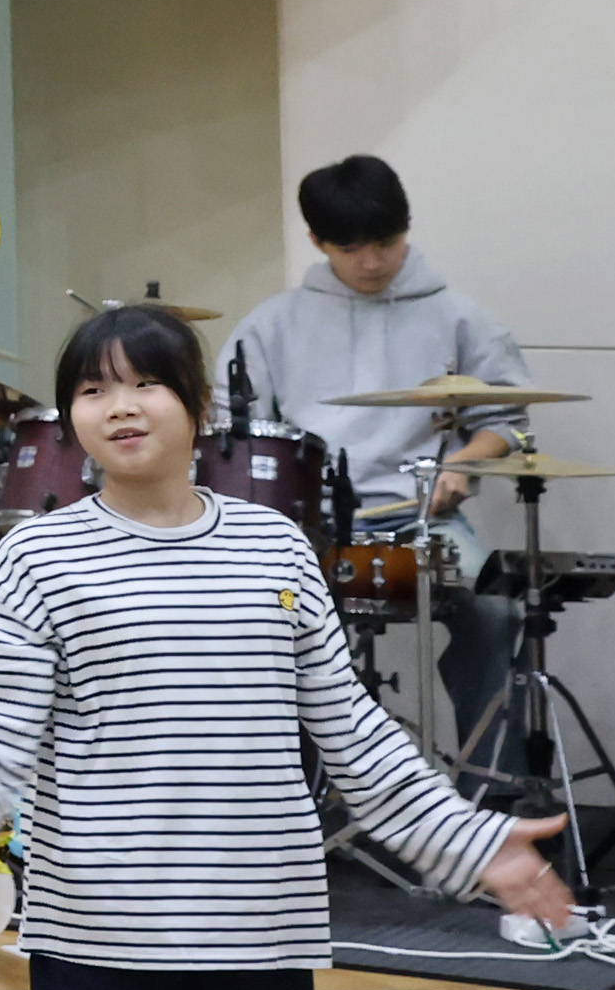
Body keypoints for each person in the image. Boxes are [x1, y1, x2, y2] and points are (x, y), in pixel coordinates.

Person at [0, 301, 569, 990]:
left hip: (259, 930)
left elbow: (353, 730)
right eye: (94, 391)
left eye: (146, 384)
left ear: (201, 408)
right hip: (99, 934)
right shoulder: (39, 555)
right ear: (70, 420)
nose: (121, 406)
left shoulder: (276, 548)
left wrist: (472, 840)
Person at [227, 154, 534, 775]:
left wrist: (461, 466)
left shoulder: (459, 316)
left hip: (422, 518)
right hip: (304, 527)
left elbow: (507, 422)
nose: (371, 263)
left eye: (386, 244)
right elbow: (236, 437)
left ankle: (492, 785)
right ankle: (281, 788)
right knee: (243, 620)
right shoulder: (270, 325)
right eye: (351, 249)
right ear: (317, 242)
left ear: (407, 230)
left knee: (494, 611)